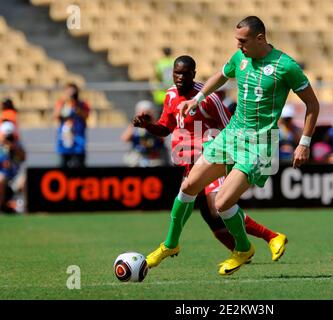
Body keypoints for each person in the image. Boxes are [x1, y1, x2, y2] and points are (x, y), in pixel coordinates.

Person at [143, 16, 320, 276]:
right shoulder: (240, 58)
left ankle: (243, 248)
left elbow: (312, 105)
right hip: (230, 136)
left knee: (222, 203)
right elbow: (221, 75)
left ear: (260, 38)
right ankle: (170, 244)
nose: (237, 45)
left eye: (242, 41)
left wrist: (303, 143)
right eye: (237, 40)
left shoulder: (285, 66)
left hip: (259, 144)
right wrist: (198, 98)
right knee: (189, 185)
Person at [133, 55, 287, 260]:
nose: (179, 77)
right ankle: (242, 251)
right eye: (176, 73)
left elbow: (229, 126)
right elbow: (165, 128)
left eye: (185, 73)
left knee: (217, 206)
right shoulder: (170, 96)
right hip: (189, 163)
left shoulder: (207, 97)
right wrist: (148, 126)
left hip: (213, 159)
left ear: (193, 74)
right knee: (209, 214)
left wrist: (236, 159)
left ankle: (269, 237)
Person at [122, 100, 167, 167]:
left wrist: (152, 123)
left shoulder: (156, 124)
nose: (144, 115)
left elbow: (163, 139)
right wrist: (135, 122)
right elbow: (125, 138)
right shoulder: (134, 126)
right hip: (138, 156)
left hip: (154, 156)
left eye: (147, 112)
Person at [54, 83, 90, 168]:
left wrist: (76, 106)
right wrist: (65, 103)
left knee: (78, 166)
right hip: (64, 141)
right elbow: (56, 116)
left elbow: (86, 116)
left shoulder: (82, 104)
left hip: (78, 141)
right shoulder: (61, 103)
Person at [0, 121, 26, 213]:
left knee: (25, 179)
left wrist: (13, 147)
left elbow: (24, 157)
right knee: (1, 179)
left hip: (14, 178)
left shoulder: (17, 145)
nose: (8, 138)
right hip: (3, 177)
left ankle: (26, 209)